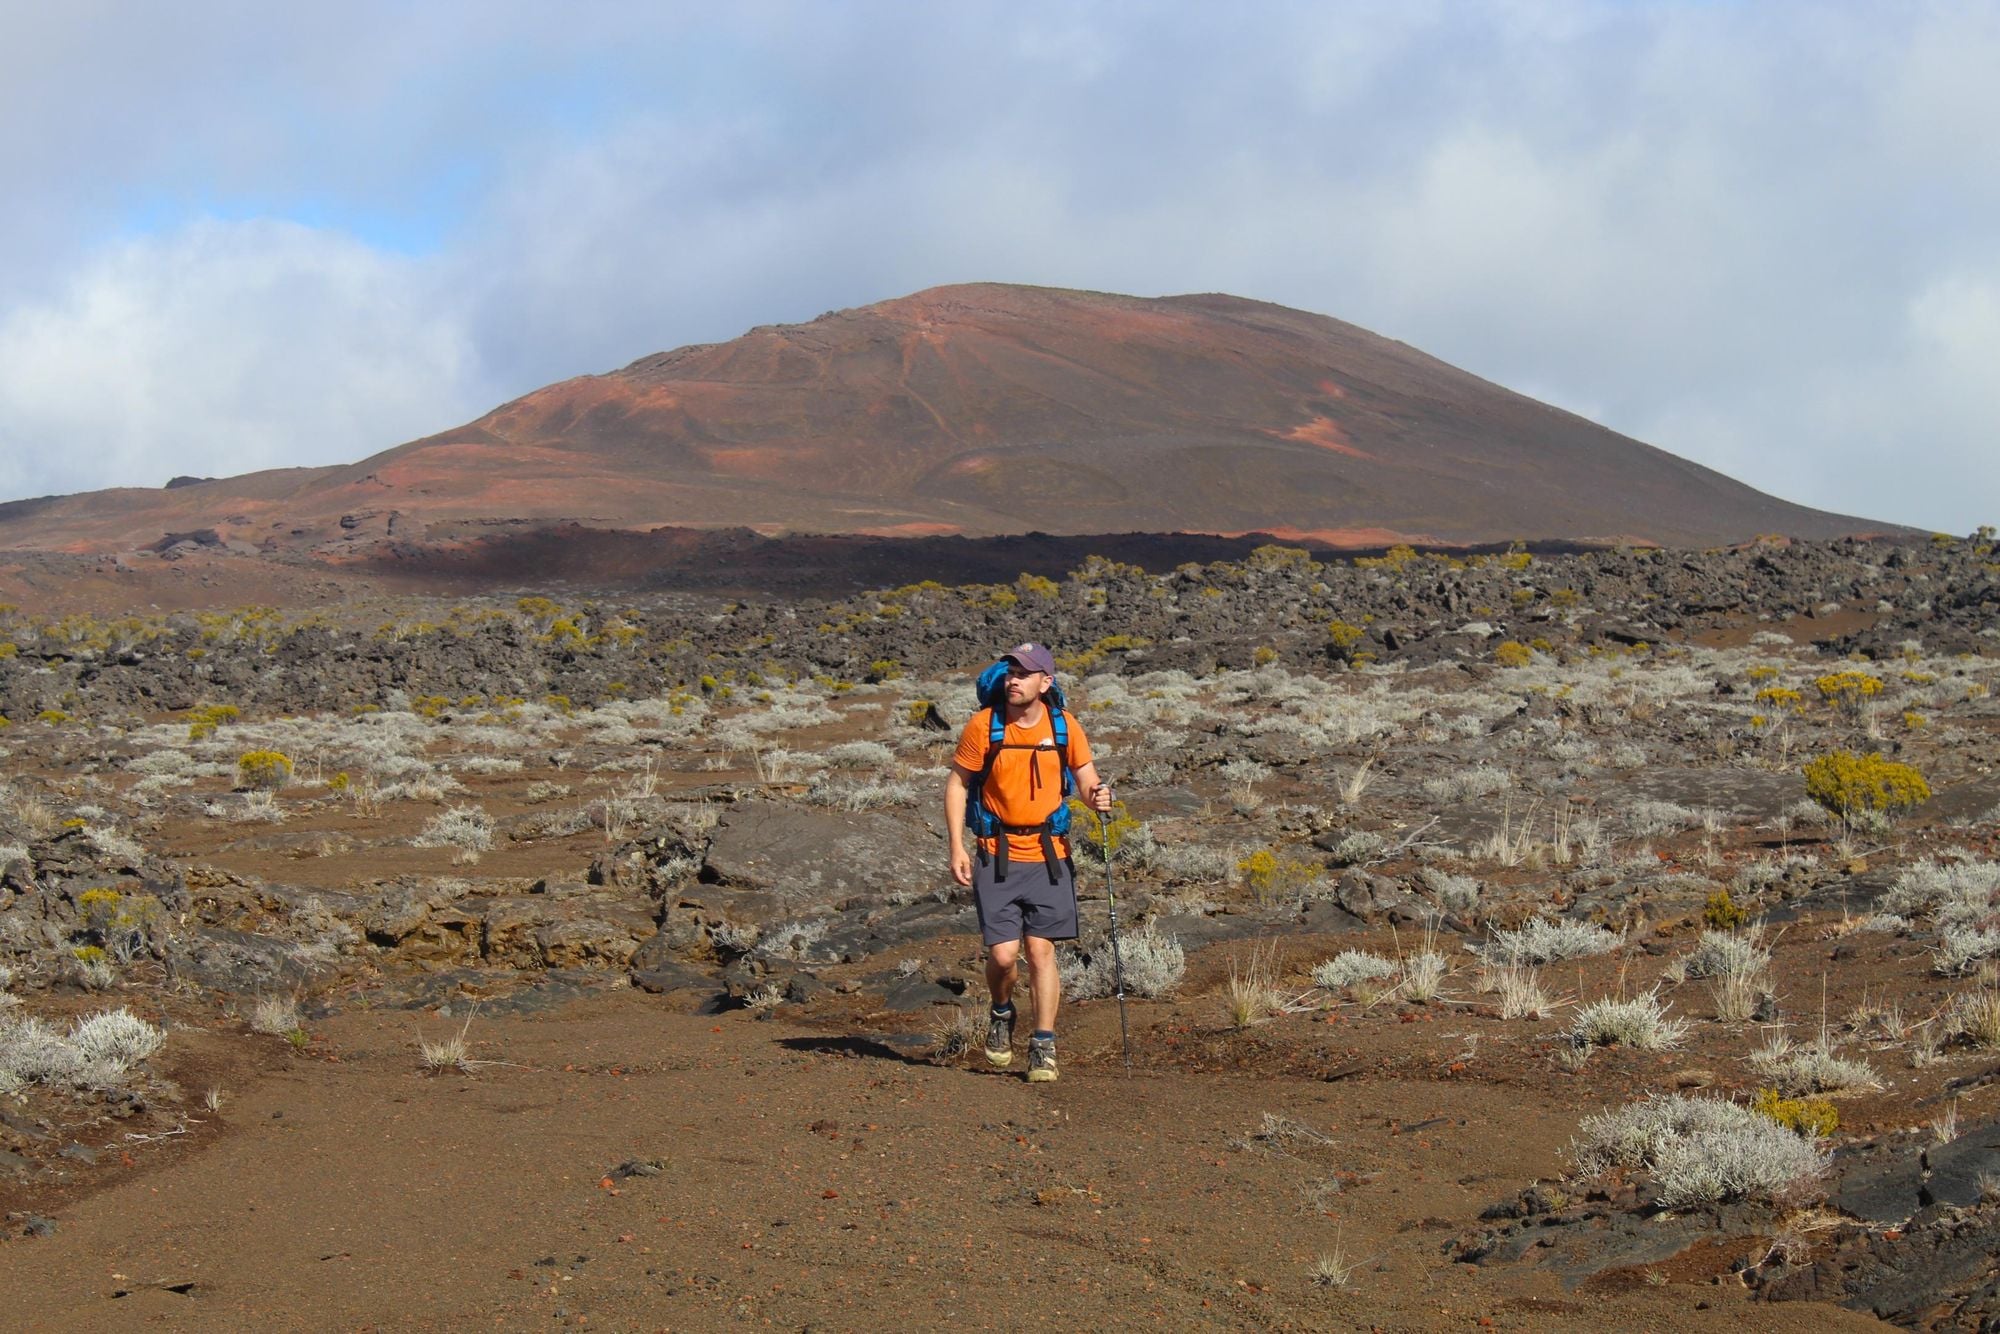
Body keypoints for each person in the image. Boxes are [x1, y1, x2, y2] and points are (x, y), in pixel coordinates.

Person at [944, 642, 1113, 1082]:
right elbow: (958, 784)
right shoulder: (985, 725)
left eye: (1024, 672)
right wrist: (957, 847)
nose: (1014, 679)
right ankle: (1002, 1012)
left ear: (1046, 681)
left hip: (1049, 857)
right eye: (1010, 671)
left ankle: (1043, 1044)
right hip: (996, 855)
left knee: (1041, 952)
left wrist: (1099, 798)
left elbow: (1086, 779)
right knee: (1002, 957)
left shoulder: (1064, 726)